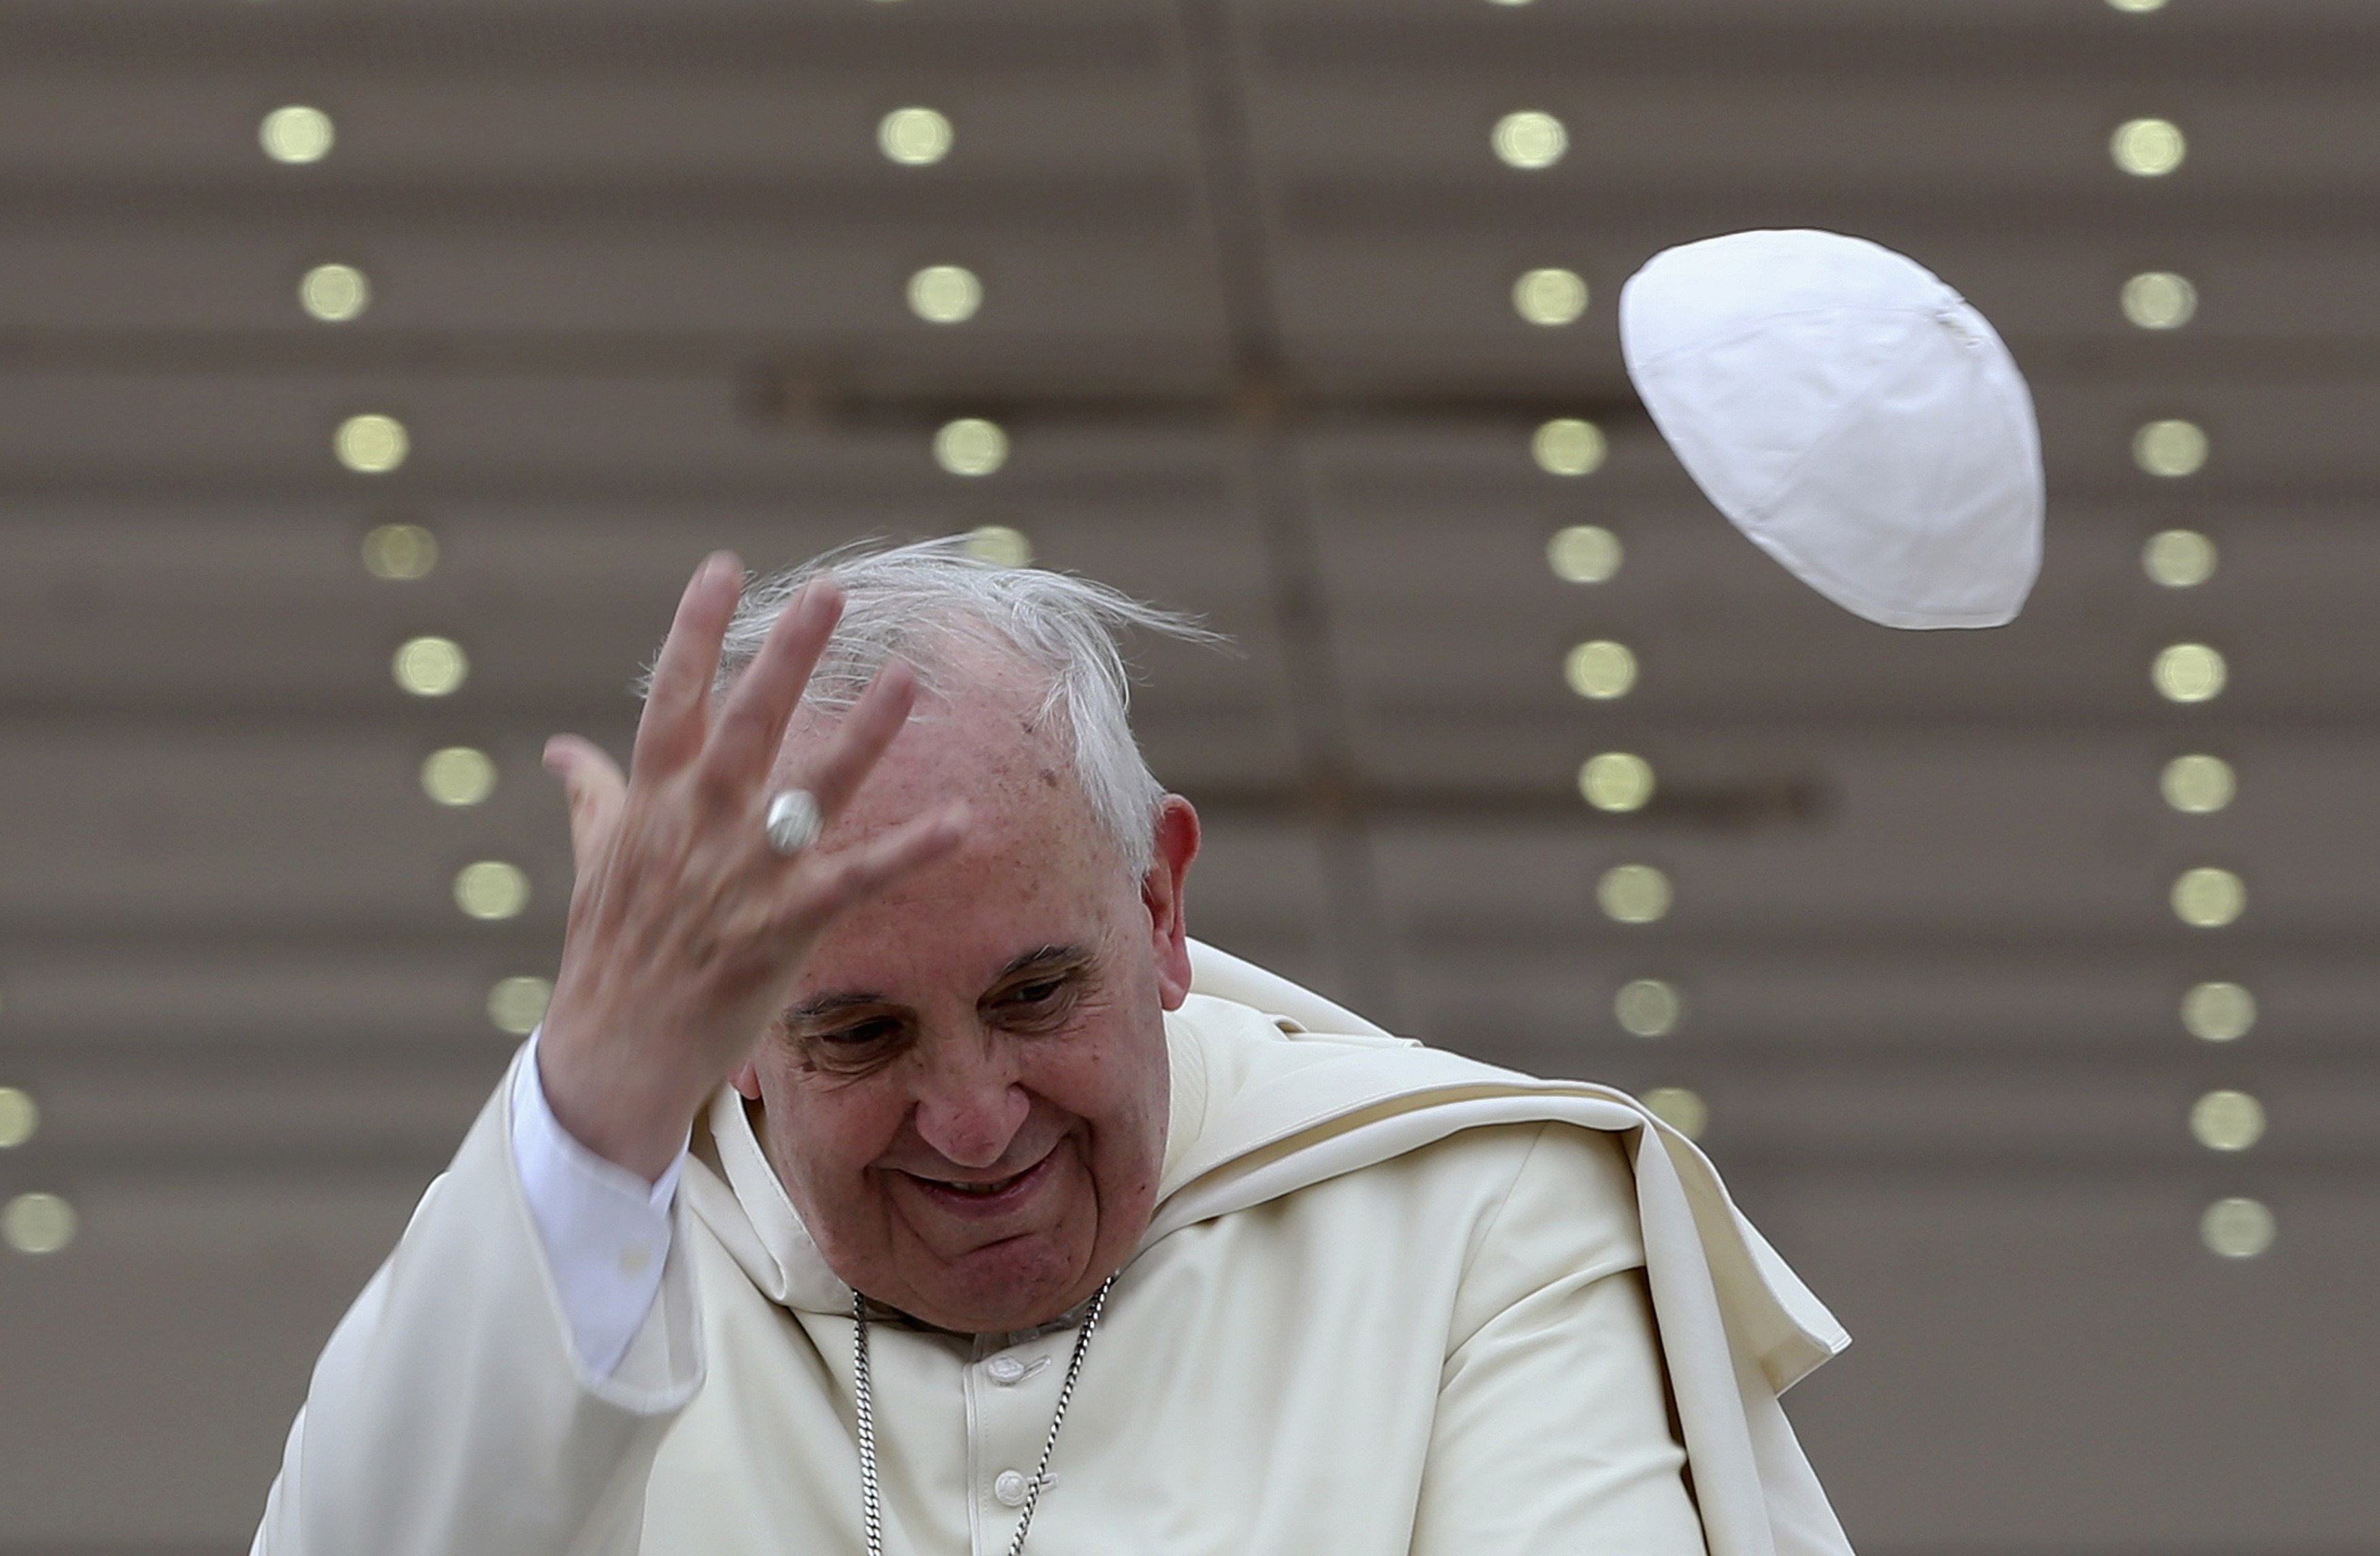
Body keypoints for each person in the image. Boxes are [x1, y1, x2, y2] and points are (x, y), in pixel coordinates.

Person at [252, 538, 1854, 1556]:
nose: (968, 1117)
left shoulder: (1482, 1224)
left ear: (1159, 903)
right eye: (860, 1030)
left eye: (1033, 996)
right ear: (736, 1032)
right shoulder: (583, 1279)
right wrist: (593, 1115)